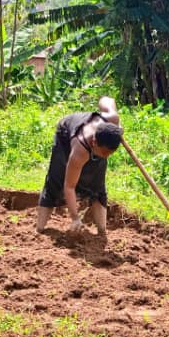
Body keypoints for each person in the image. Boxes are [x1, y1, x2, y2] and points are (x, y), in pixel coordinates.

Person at [35, 97, 123, 235]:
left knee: (97, 184)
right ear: (94, 142)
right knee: (56, 179)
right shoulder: (80, 150)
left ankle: (102, 231)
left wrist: (117, 129)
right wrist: (75, 218)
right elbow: (69, 186)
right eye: (104, 153)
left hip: (98, 138)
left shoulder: (112, 120)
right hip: (65, 134)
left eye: (110, 153)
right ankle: (40, 229)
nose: (106, 156)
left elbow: (107, 99)